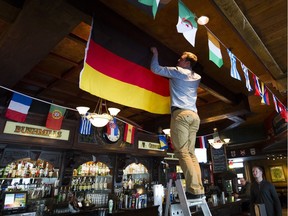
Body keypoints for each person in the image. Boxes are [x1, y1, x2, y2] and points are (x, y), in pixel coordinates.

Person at [150, 47, 204, 199]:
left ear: (187, 63)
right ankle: (199, 188)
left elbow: (155, 69)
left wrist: (155, 53)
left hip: (181, 114)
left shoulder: (178, 71)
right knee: (191, 153)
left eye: (181, 59)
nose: (178, 60)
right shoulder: (196, 77)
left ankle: (193, 189)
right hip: (194, 116)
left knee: (182, 152)